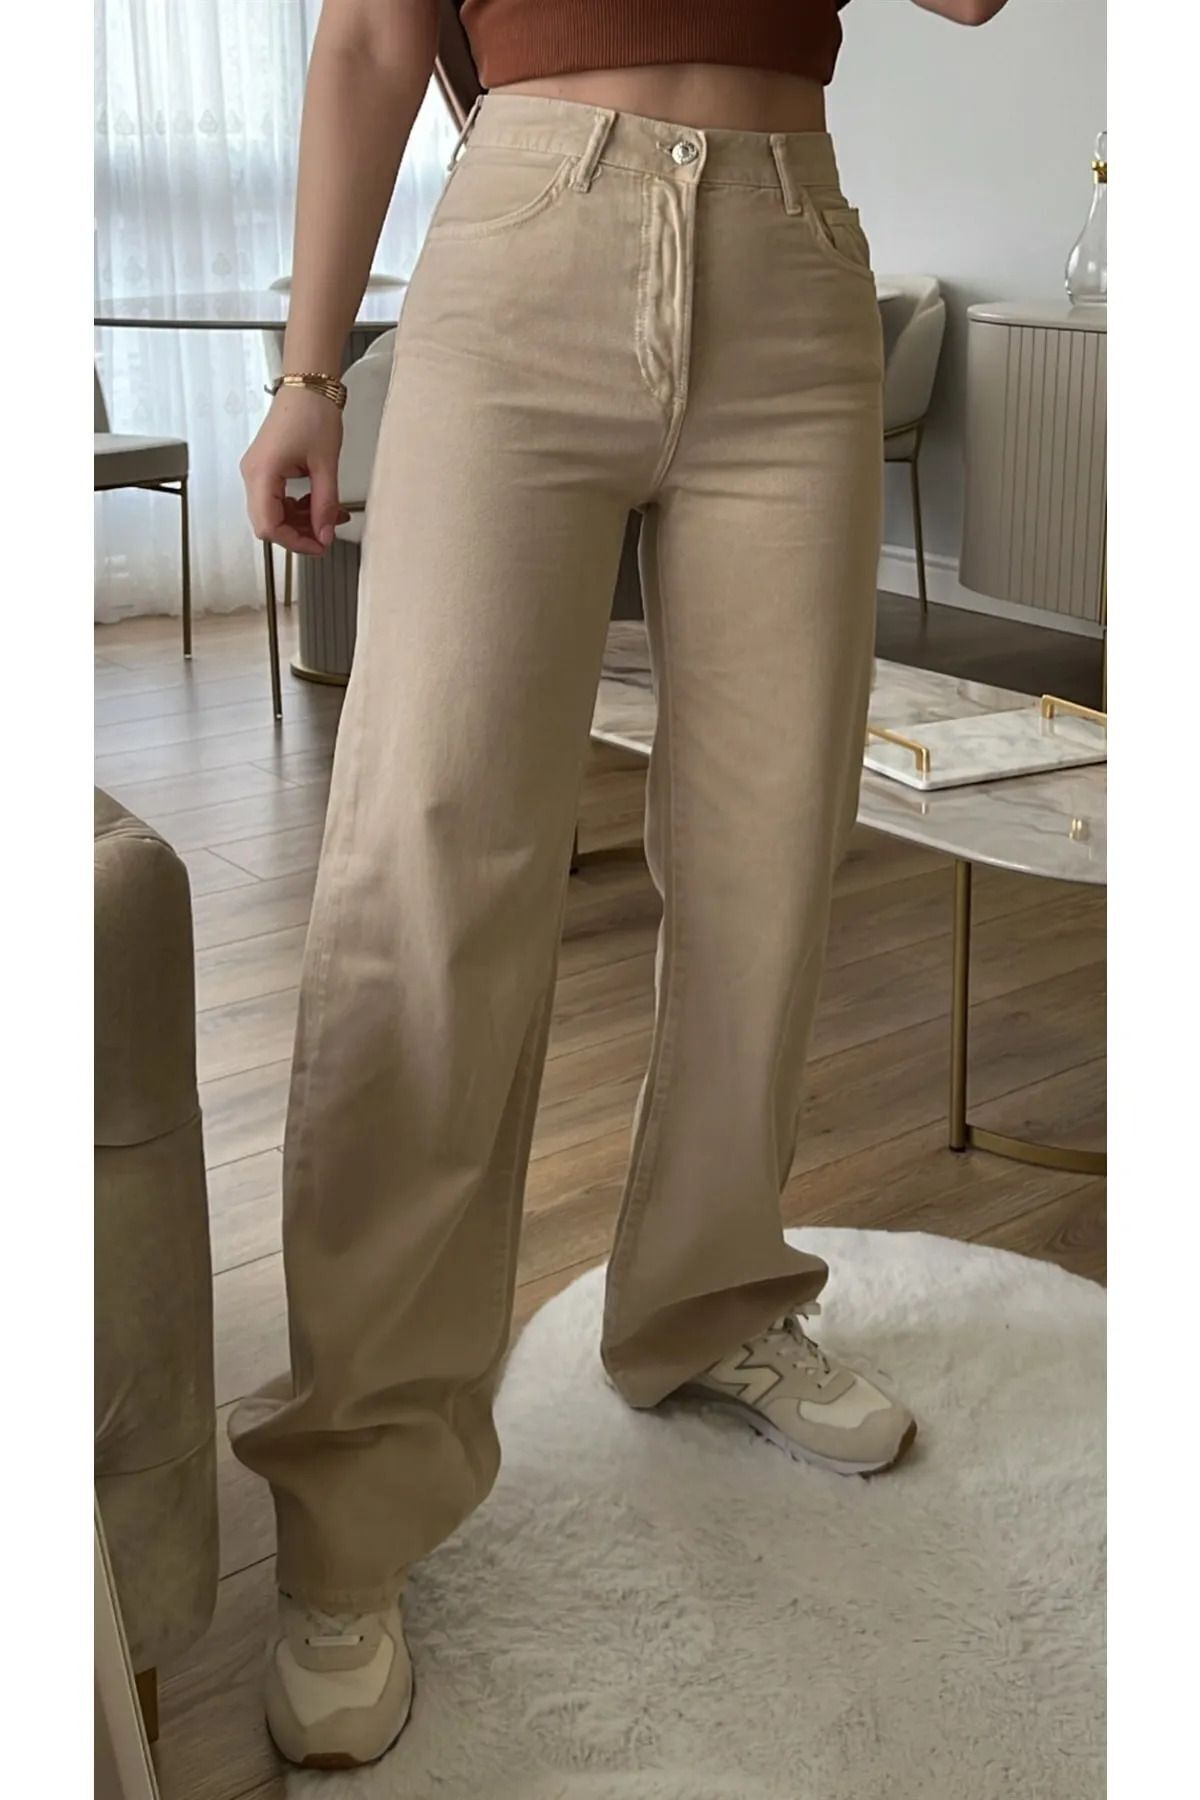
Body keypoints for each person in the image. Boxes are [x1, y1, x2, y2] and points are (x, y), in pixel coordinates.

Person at [236, 0, 1012, 1770]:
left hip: (793, 253)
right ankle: (356, 1487)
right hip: (529, 237)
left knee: (769, 849)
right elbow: (368, 41)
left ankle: (706, 1298)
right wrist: (310, 372)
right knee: (428, 870)